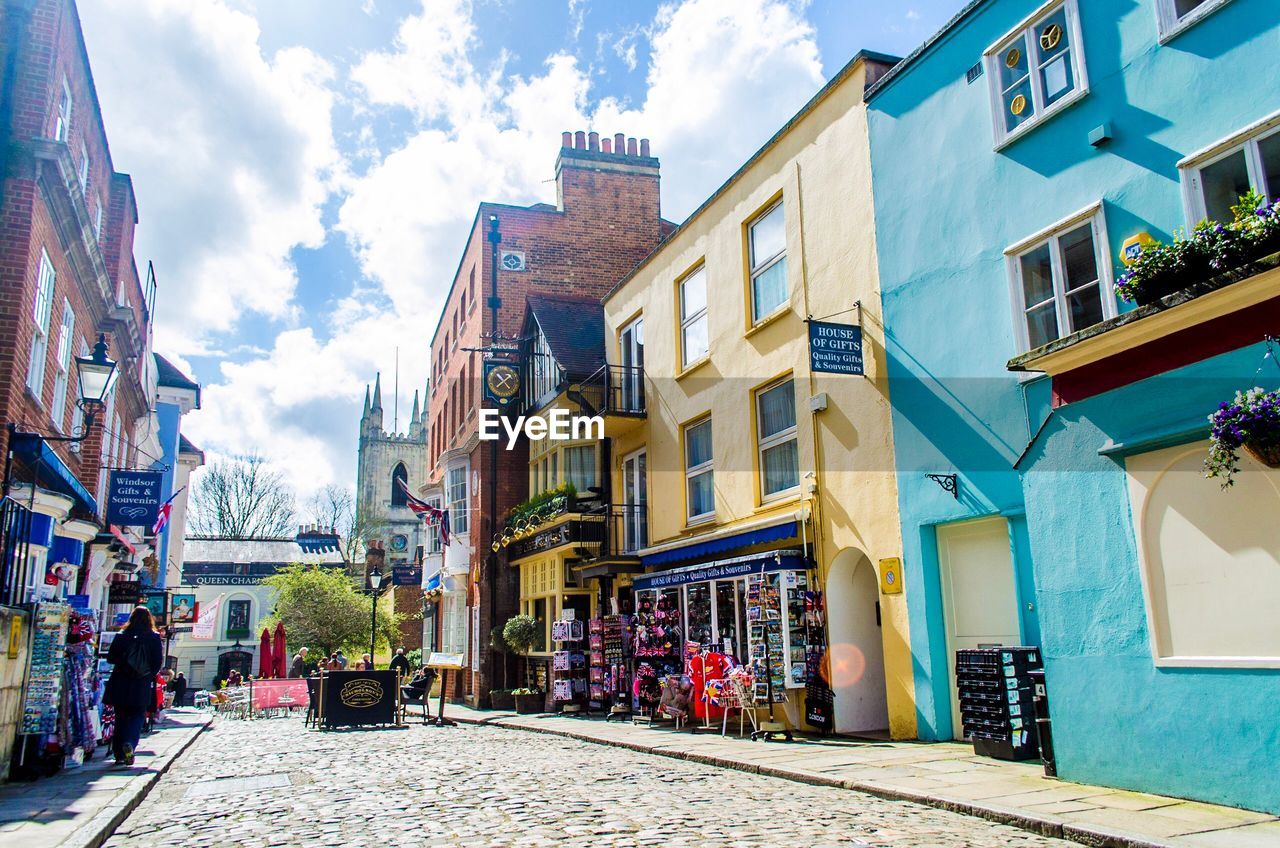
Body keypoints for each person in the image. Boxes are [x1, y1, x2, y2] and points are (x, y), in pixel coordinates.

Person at [104, 606, 164, 766]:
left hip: (121, 682)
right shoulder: (153, 637)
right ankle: (130, 743)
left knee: (121, 717)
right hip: (141, 683)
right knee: (138, 716)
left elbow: (111, 658)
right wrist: (148, 675)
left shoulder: (122, 635)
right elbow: (157, 662)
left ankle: (119, 755)